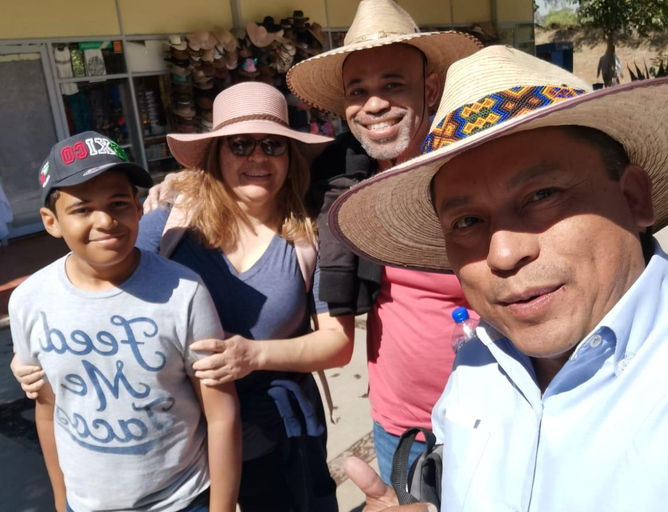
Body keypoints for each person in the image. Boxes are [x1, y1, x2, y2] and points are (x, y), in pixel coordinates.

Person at [330, 46, 668, 511]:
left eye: (542, 194)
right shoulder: (476, 365)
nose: (502, 253)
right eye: (466, 222)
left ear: (635, 198)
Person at [13, 83, 353, 512]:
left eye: (273, 144)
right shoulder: (170, 224)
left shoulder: (310, 231)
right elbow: (100, 290)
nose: (258, 156)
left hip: (278, 431)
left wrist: (253, 355)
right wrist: (33, 352)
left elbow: (338, 343)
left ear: (290, 154)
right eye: (240, 144)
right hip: (183, 447)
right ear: (216, 153)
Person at [285, 0, 482, 484]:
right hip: (399, 425)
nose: (374, 105)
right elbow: (256, 192)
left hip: (490, 417)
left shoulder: (475, 171)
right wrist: (176, 196)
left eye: (393, 85)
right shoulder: (341, 182)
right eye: (360, 91)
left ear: (429, 89)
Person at [9, 132, 241, 512]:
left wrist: (222, 507)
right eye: (82, 209)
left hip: (183, 500)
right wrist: (60, 499)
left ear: (138, 207)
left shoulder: (183, 291)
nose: (105, 221)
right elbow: (48, 409)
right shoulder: (29, 302)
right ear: (51, 221)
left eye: (118, 203)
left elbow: (220, 412)